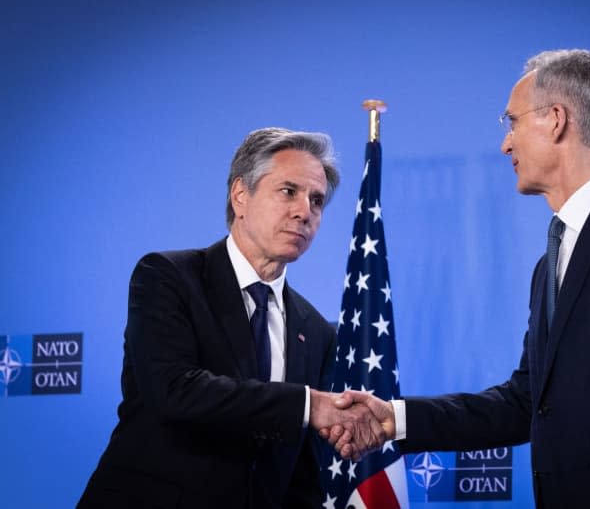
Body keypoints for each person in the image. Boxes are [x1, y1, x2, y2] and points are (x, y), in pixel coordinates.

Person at [327, 49, 590, 508]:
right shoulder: (551, 261)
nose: (505, 144)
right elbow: (526, 402)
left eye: (512, 122)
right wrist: (395, 420)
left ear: (557, 120)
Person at [78, 127, 386, 509]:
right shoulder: (168, 276)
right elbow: (175, 391)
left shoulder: (317, 331)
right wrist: (308, 405)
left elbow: (301, 473)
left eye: (317, 201)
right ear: (241, 195)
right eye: (288, 191)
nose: (304, 212)